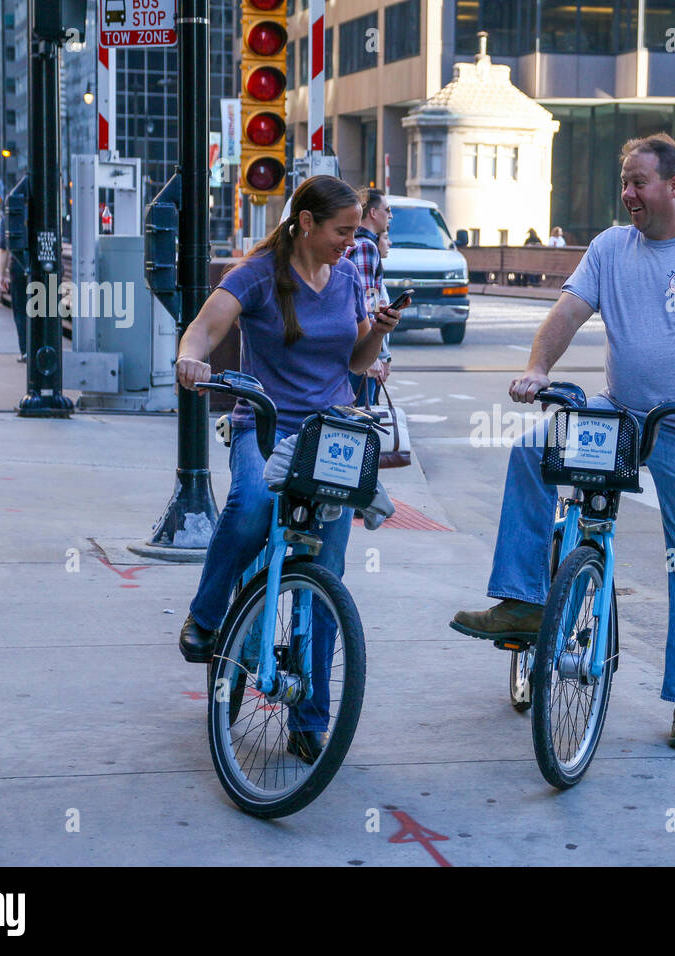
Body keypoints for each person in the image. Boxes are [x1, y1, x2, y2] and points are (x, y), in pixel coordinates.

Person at [450, 133, 675, 751]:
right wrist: (538, 368)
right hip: (619, 414)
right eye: (624, 183)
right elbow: (569, 311)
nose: (627, 194)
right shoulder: (608, 248)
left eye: (638, 183)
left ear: (674, 187)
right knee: (529, 452)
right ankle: (523, 600)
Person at [173, 176, 402, 761]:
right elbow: (205, 325)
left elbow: (353, 360)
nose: (352, 243)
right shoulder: (257, 274)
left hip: (331, 437)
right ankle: (204, 618)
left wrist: (376, 331)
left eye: (356, 231)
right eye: (343, 231)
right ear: (305, 223)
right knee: (250, 506)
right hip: (268, 425)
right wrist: (189, 359)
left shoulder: (347, 277)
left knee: (326, 573)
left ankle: (310, 718)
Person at [345, 187, 391, 404]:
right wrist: (375, 355)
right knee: (361, 417)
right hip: (359, 348)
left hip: (351, 345)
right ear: (373, 213)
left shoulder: (358, 244)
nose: (390, 216)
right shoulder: (366, 247)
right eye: (387, 210)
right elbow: (365, 304)